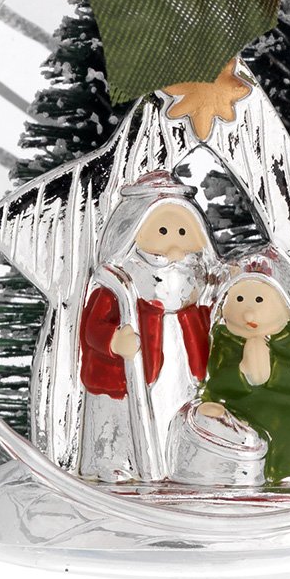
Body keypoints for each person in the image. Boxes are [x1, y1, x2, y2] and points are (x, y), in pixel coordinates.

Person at [78, 171, 219, 482]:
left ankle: (172, 459)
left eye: (183, 231)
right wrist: (113, 341)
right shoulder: (119, 282)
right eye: (163, 230)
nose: (173, 243)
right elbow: (92, 326)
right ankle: (117, 462)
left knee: (175, 410)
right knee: (120, 420)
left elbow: (207, 312)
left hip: (180, 365)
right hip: (128, 375)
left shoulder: (195, 275)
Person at [199, 259, 290, 487]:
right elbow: (217, 382)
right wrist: (242, 372)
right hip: (244, 428)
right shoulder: (225, 341)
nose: (248, 314)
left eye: (259, 300)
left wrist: (273, 368)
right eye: (239, 299)